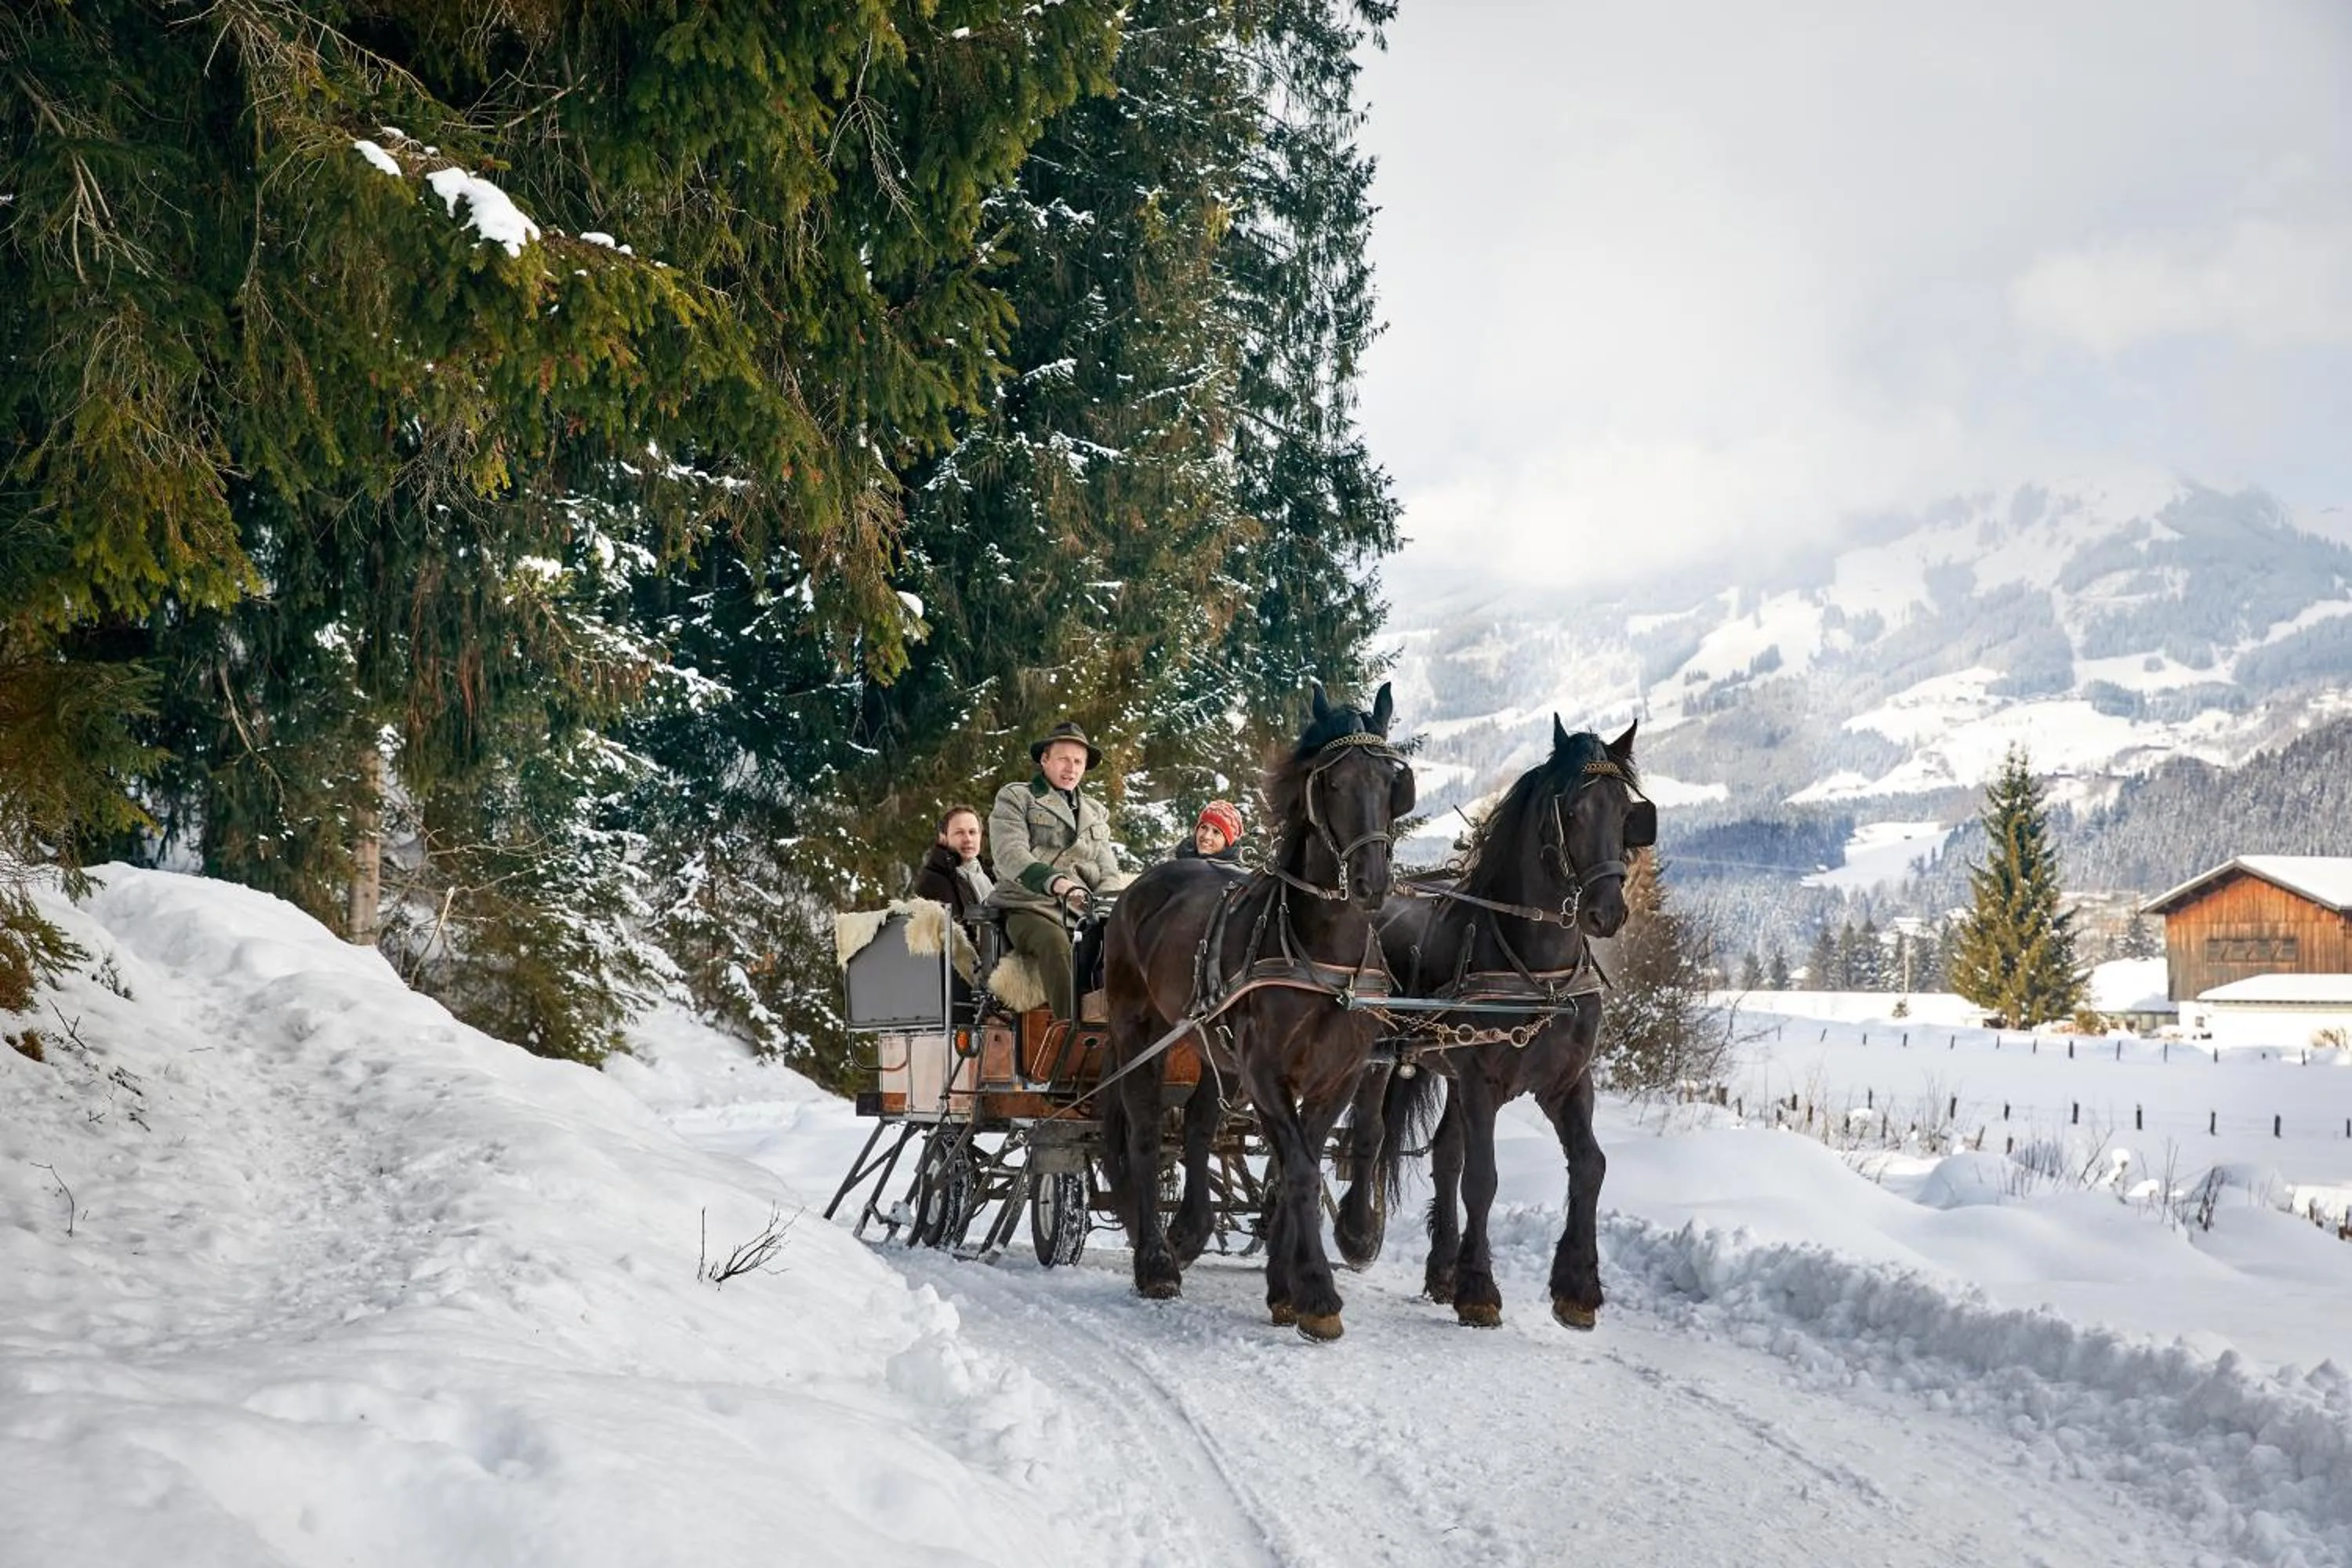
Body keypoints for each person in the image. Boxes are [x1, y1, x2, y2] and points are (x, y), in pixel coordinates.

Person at [985, 721, 1127, 1019]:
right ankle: (1070, 1031)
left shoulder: (1096, 812)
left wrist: (1104, 904)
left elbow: (1107, 868)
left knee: (1127, 940)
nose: (1071, 768)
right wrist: (1056, 883)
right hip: (1027, 906)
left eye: (1078, 762)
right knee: (1055, 942)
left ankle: (1123, 1028)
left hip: (1081, 911)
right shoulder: (1016, 797)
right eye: (1063, 759)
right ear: (1045, 760)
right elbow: (1009, 853)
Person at [911, 805, 992, 924]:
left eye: (973, 832)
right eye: (959, 833)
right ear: (943, 838)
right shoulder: (932, 881)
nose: (968, 839)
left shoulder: (991, 876)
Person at [1174, 798, 1245, 868]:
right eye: (1204, 827)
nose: (1206, 836)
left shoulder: (1235, 877)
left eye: (1216, 832)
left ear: (1227, 843)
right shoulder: (1173, 862)